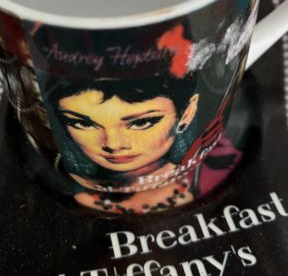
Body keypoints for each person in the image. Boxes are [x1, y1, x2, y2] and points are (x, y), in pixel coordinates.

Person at [45, 73, 202, 210]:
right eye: (84, 124)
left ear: (187, 113)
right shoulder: (58, 179)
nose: (113, 145)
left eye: (141, 123)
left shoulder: (207, 170)